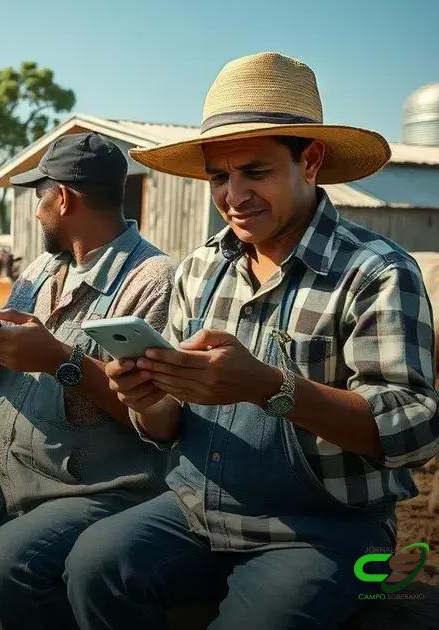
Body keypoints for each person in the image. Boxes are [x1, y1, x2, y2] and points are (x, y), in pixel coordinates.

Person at [67, 52, 439, 629]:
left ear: (309, 160)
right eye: (220, 176)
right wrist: (147, 398)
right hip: (195, 511)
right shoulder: (199, 270)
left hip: (323, 529)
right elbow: (168, 426)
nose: (233, 196)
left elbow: (414, 429)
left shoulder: (376, 272)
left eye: (255, 172)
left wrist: (273, 387)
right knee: (94, 565)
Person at [0, 132, 176, 629]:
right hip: (15, 489)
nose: (35, 211)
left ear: (64, 197)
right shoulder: (37, 271)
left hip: (97, 493)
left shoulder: (152, 280)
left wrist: (60, 359)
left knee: (4, 564)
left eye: (39, 196)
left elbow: (154, 416)